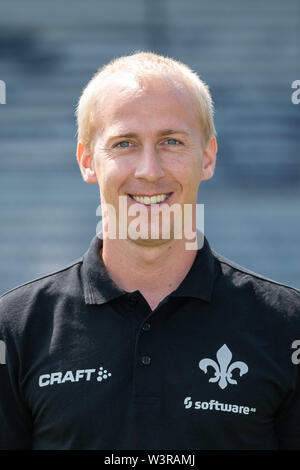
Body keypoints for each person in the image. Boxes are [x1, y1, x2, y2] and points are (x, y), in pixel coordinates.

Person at [0, 51, 300, 450]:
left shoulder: (286, 325)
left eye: (171, 141)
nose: (149, 170)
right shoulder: (17, 329)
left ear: (207, 157)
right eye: (124, 143)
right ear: (88, 161)